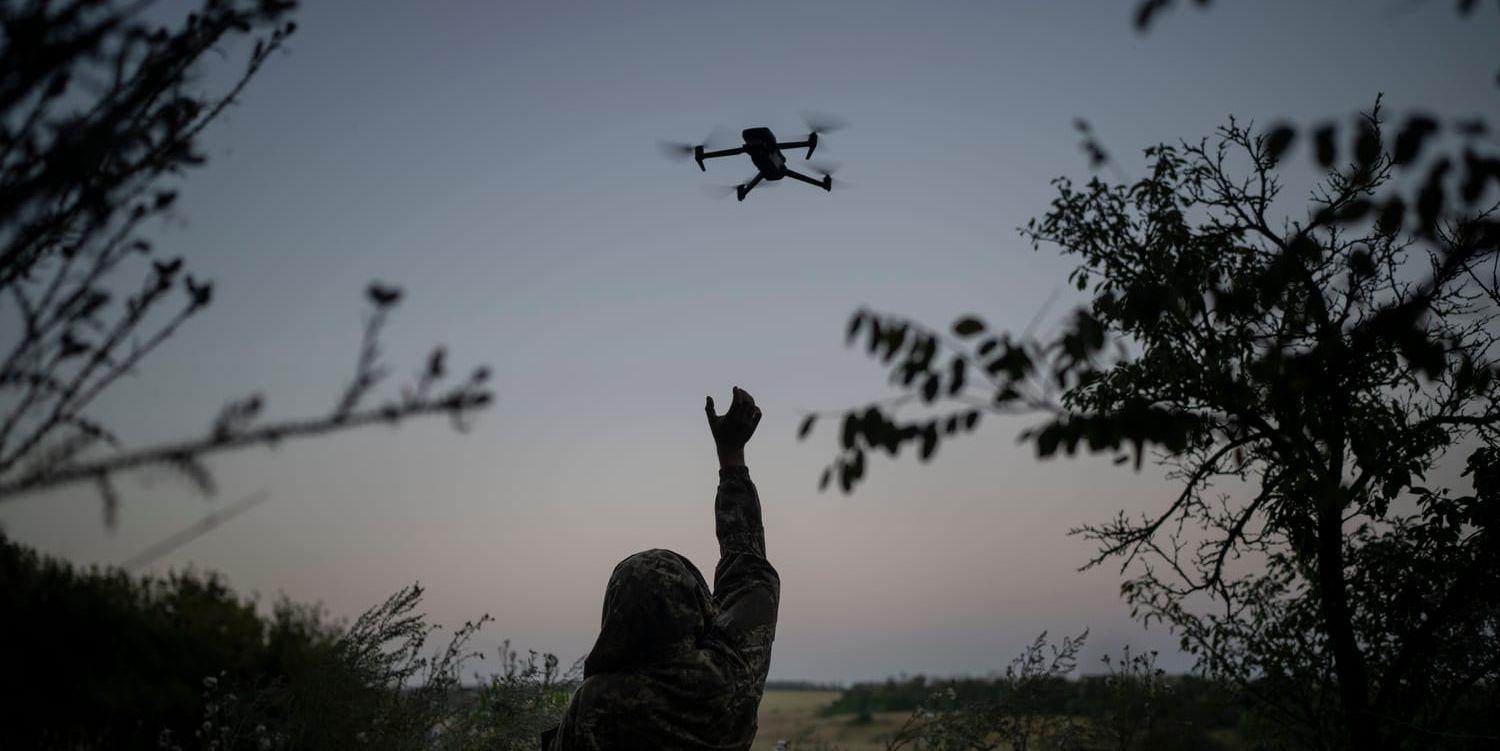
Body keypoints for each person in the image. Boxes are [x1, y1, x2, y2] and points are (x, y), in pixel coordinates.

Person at [543, 387, 781, 750]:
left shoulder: (596, 706)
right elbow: (748, 574)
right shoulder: (728, 678)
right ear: (695, 605)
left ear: (619, 616)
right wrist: (731, 456)